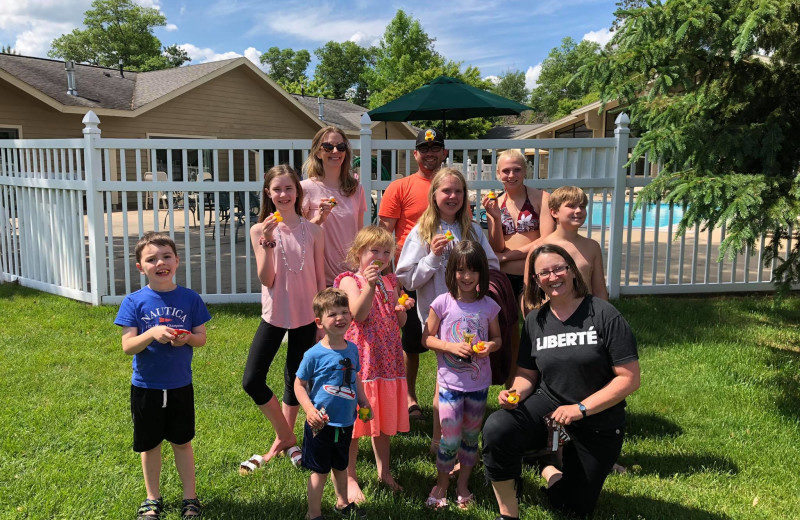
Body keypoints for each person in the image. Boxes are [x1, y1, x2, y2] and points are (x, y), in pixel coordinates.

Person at [482, 244, 640, 519]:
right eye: (544, 272)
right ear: (535, 280)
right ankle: (508, 514)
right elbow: (527, 374)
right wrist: (514, 393)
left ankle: (547, 466)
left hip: (597, 420)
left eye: (558, 268)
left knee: (571, 506)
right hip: (549, 409)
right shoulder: (535, 321)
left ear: (572, 270)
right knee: (498, 428)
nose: (553, 277)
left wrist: (580, 408)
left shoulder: (604, 314)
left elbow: (629, 379)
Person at [396, 167, 500, 451]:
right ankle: (438, 439)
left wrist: (478, 293)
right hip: (438, 315)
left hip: (469, 314)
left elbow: (491, 265)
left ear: (465, 196)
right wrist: (432, 257)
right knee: (445, 374)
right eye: (446, 191)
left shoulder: (473, 230)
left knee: (459, 374)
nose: (452, 196)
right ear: (434, 195)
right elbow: (406, 278)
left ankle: (460, 433)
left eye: (458, 191)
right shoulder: (422, 231)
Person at [115, 231, 211, 520]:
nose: (160, 262)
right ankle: (152, 498)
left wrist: (185, 339)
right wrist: (152, 333)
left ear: (177, 261)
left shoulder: (190, 299)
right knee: (150, 444)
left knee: (182, 441)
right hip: (146, 387)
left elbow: (201, 338)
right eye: (151, 259)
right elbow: (128, 346)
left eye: (166, 256)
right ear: (140, 267)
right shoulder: (134, 302)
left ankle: (190, 498)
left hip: (180, 385)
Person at [239, 164, 325, 474]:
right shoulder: (259, 230)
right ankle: (287, 438)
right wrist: (267, 241)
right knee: (252, 380)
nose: (283, 194)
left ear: (297, 192)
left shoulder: (314, 230)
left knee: (295, 378)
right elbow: (267, 279)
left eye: (289, 188)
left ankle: (283, 442)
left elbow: (319, 279)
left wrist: (321, 319)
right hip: (274, 315)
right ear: (268, 193)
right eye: (277, 189)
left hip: (305, 316)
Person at [334, 226, 414, 503]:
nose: (380, 257)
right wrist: (369, 284)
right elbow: (358, 314)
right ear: (358, 254)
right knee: (356, 423)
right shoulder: (349, 281)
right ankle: (351, 477)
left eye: (386, 252)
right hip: (362, 361)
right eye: (374, 251)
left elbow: (398, 322)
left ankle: (384, 472)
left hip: (387, 360)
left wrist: (402, 310)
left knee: (383, 420)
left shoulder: (391, 282)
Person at [421, 240, 502, 509]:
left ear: (482, 273)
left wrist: (490, 346)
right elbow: (427, 339)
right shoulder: (442, 302)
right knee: (450, 438)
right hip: (450, 384)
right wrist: (450, 346)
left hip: (478, 384)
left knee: (470, 438)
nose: (467, 277)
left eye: (473, 271)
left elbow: (497, 339)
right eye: (461, 270)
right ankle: (442, 483)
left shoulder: (489, 305)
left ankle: (463, 483)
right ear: (452, 271)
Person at [378, 127, 448, 421]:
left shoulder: (451, 186)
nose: (430, 154)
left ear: (444, 153)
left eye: (436, 149)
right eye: (425, 149)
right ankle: (410, 398)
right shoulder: (400, 187)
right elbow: (384, 233)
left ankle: (445, 395)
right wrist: (387, 278)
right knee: (411, 342)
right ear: (416, 154)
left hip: (447, 274)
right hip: (409, 275)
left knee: (446, 338)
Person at [295, 288, 372, 520]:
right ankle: (313, 513)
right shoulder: (314, 355)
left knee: (341, 465)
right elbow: (299, 385)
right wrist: (309, 410)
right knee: (319, 471)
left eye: (344, 312)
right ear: (319, 322)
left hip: (346, 422)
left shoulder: (352, 349)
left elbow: (355, 378)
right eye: (333, 314)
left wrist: (364, 401)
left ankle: (342, 503)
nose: (340, 318)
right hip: (321, 425)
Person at [482, 149, 555, 303]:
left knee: (532, 313)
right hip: (504, 275)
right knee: (508, 324)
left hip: (533, 272)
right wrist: (495, 219)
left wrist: (507, 257)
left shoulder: (542, 198)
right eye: (506, 171)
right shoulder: (495, 204)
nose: (511, 175)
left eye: (517, 170)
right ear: (498, 173)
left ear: (525, 171)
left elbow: (547, 240)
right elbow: (497, 248)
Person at [527, 185, 608, 313]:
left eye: (582, 206)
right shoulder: (539, 248)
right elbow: (531, 294)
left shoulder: (592, 247)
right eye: (571, 206)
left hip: (586, 316)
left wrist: (603, 318)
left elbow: (599, 290)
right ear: (554, 212)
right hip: (553, 317)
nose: (578, 210)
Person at [302, 126, 367, 286]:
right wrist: (318, 218)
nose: (335, 151)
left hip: (351, 275)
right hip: (318, 275)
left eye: (341, 146)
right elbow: (297, 234)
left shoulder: (356, 189)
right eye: (328, 147)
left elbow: (359, 234)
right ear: (318, 152)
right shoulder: (304, 189)